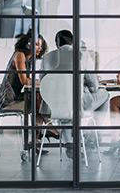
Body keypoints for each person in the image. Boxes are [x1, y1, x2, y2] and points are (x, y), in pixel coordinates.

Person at [41, 29, 109, 158]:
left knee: (65, 110)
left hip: (53, 106)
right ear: (72, 41)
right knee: (105, 94)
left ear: (57, 44)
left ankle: (69, 143)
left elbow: (43, 81)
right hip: (79, 104)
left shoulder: (47, 58)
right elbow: (94, 86)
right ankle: (92, 134)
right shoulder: (81, 55)